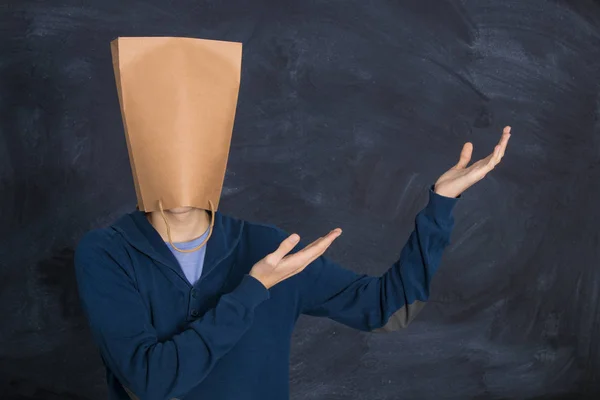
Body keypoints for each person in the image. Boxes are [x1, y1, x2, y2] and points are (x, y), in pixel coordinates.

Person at [75, 37, 511, 400]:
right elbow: (151, 381)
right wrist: (254, 289)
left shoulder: (269, 249)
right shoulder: (107, 254)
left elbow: (390, 309)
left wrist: (440, 204)